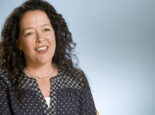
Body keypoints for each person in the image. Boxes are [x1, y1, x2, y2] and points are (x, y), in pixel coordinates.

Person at [0, 0, 97, 115]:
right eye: (29, 33)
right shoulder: (4, 82)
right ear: (19, 43)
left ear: (55, 34)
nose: (40, 38)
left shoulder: (77, 79)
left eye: (46, 29)